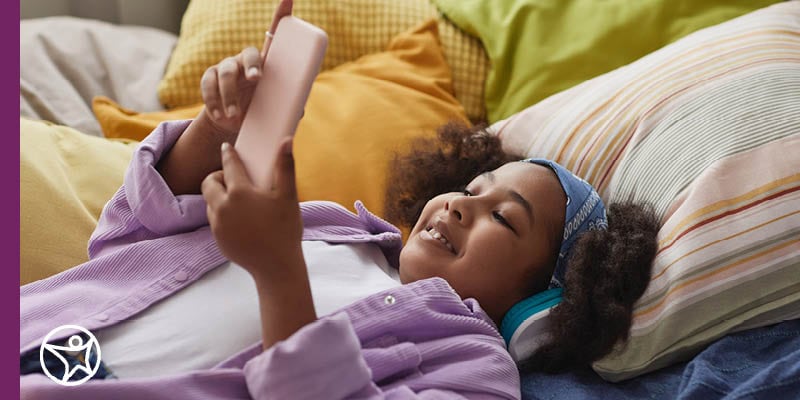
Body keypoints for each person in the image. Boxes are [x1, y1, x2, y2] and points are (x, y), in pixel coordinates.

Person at [20, 1, 659, 398]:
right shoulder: (329, 228)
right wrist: (214, 130)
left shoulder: (473, 368)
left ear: (547, 303)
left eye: (503, 218)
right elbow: (138, 239)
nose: (460, 205)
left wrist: (278, 273)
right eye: (470, 189)